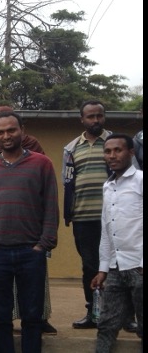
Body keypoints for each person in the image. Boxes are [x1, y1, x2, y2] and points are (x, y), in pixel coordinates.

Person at [0, 111, 59, 353]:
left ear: (22, 130)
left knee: (32, 316)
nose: (6, 136)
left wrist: (43, 244)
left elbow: (51, 207)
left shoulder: (42, 164)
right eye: (0, 132)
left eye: (11, 130)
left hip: (31, 252)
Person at [62, 100, 124, 330]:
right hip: (83, 217)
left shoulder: (116, 143)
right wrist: (68, 212)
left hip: (115, 216)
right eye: (90, 116)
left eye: (99, 115)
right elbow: (68, 182)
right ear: (82, 119)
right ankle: (94, 313)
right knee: (90, 266)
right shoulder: (71, 148)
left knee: (120, 266)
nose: (96, 120)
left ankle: (124, 315)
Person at [90, 133, 143, 352]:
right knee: (106, 324)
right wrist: (103, 269)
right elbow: (106, 229)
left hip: (139, 266)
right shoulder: (107, 186)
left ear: (131, 152)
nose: (112, 155)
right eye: (108, 151)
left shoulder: (140, 180)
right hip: (115, 268)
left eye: (118, 150)